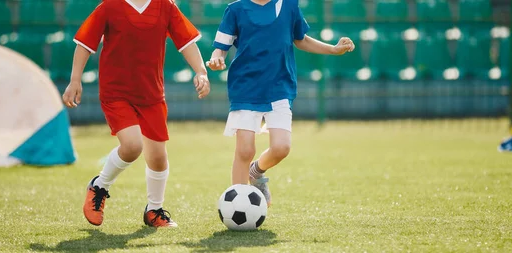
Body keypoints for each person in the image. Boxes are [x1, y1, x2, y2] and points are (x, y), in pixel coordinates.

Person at [62, 0, 210, 228]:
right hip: (116, 93)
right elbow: (84, 43)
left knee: (158, 158)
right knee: (132, 146)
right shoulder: (110, 6)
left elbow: (187, 42)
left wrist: (200, 71)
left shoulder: (166, 6)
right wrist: (74, 80)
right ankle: (100, 186)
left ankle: (154, 210)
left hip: (151, 96)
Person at [207, 0, 355, 206]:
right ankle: (238, 207)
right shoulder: (235, 9)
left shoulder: (289, 5)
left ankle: (256, 171)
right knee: (244, 150)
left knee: (281, 148)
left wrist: (333, 49)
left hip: (280, 86)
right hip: (245, 86)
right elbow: (220, 48)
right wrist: (217, 59)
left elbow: (300, 39)